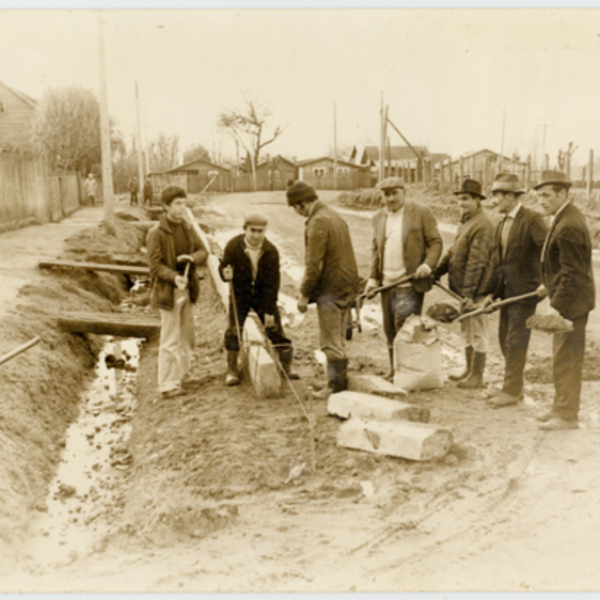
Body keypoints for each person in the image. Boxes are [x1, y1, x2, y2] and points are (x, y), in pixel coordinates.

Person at [364, 176, 443, 380]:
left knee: (405, 330)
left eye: (394, 193)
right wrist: (373, 279)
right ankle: (395, 370)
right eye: (386, 194)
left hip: (409, 284)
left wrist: (427, 265)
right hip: (387, 285)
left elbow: (435, 242)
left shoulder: (421, 213)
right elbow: (376, 250)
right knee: (389, 329)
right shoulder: (378, 217)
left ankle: (408, 373)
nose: (390, 199)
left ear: (404, 192)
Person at [534, 170, 595, 430]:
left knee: (568, 359)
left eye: (547, 195)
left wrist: (556, 309)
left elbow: (573, 272)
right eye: (539, 196)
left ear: (563, 193)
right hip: (568, 300)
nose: (541, 201)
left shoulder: (569, 223)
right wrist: (547, 285)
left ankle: (567, 415)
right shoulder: (563, 217)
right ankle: (560, 407)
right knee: (561, 357)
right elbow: (562, 267)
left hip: (571, 305)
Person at [287, 180, 360, 397]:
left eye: (295, 208)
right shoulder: (334, 215)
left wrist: (304, 294)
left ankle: (335, 387)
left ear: (301, 204)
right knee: (337, 337)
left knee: (330, 340)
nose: (297, 213)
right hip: (346, 286)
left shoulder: (318, 221)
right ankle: (333, 380)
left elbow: (314, 264)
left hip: (331, 289)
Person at [480, 173, 547, 407]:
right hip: (506, 293)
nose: (494, 200)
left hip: (525, 292)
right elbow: (497, 263)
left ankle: (510, 391)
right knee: (504, 339)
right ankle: (514, 386)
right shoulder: (501, 223)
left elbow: (549, 252)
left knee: (515, 341)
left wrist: (544, 281)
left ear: (510, 196)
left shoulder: (532, 219)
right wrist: (490, 294)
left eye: (497, 195)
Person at [219, 213, 298, 386]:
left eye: (260, 231)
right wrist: (225, 273)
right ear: (245, 229)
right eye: (252, 230)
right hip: (240, 295)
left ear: (265, 231)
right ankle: (232, 369)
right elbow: (223, 267)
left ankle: (286, 365)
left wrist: (269, 310)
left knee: (275, 329)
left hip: (263, 297)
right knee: (234, 331)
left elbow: (273, 283)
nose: (256, 235)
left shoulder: (271, 251)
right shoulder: (233, 246)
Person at [147, 185, 208, 398]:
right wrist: (173, 277)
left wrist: (193, 258)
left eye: (184, 203)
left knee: (187, 337)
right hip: (169, 292)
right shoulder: (156, 233)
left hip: (187, 290)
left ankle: (181, 376)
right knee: (170, 339)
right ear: (165, 206)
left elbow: (203, 251)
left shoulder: (188, 227)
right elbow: (154, 267)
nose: (182, 207)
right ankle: (167, 384)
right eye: (178, 204)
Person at [435, 178, 494, 389]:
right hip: (462, 290)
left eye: (466, 199)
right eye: (460, 199)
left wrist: (469, 294)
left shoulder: (483, 225)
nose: (462, 202)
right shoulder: (466, 221)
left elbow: (476, 263)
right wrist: (437, 271)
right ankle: (469, 371)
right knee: (467, 331)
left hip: (476, 290)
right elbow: (453, 252)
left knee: (478, 331)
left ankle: (477, 376)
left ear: (478, 200)